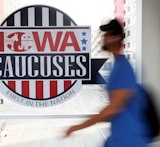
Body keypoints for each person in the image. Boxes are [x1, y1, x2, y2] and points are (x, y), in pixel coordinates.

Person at [64, 18, 152, 147]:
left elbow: (114, 108)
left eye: (107, 35)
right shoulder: (116, 66)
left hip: (130, 141)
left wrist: (78, 126)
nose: (103, 38)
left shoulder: (123, 68)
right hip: (118, 139)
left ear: (116, 37)